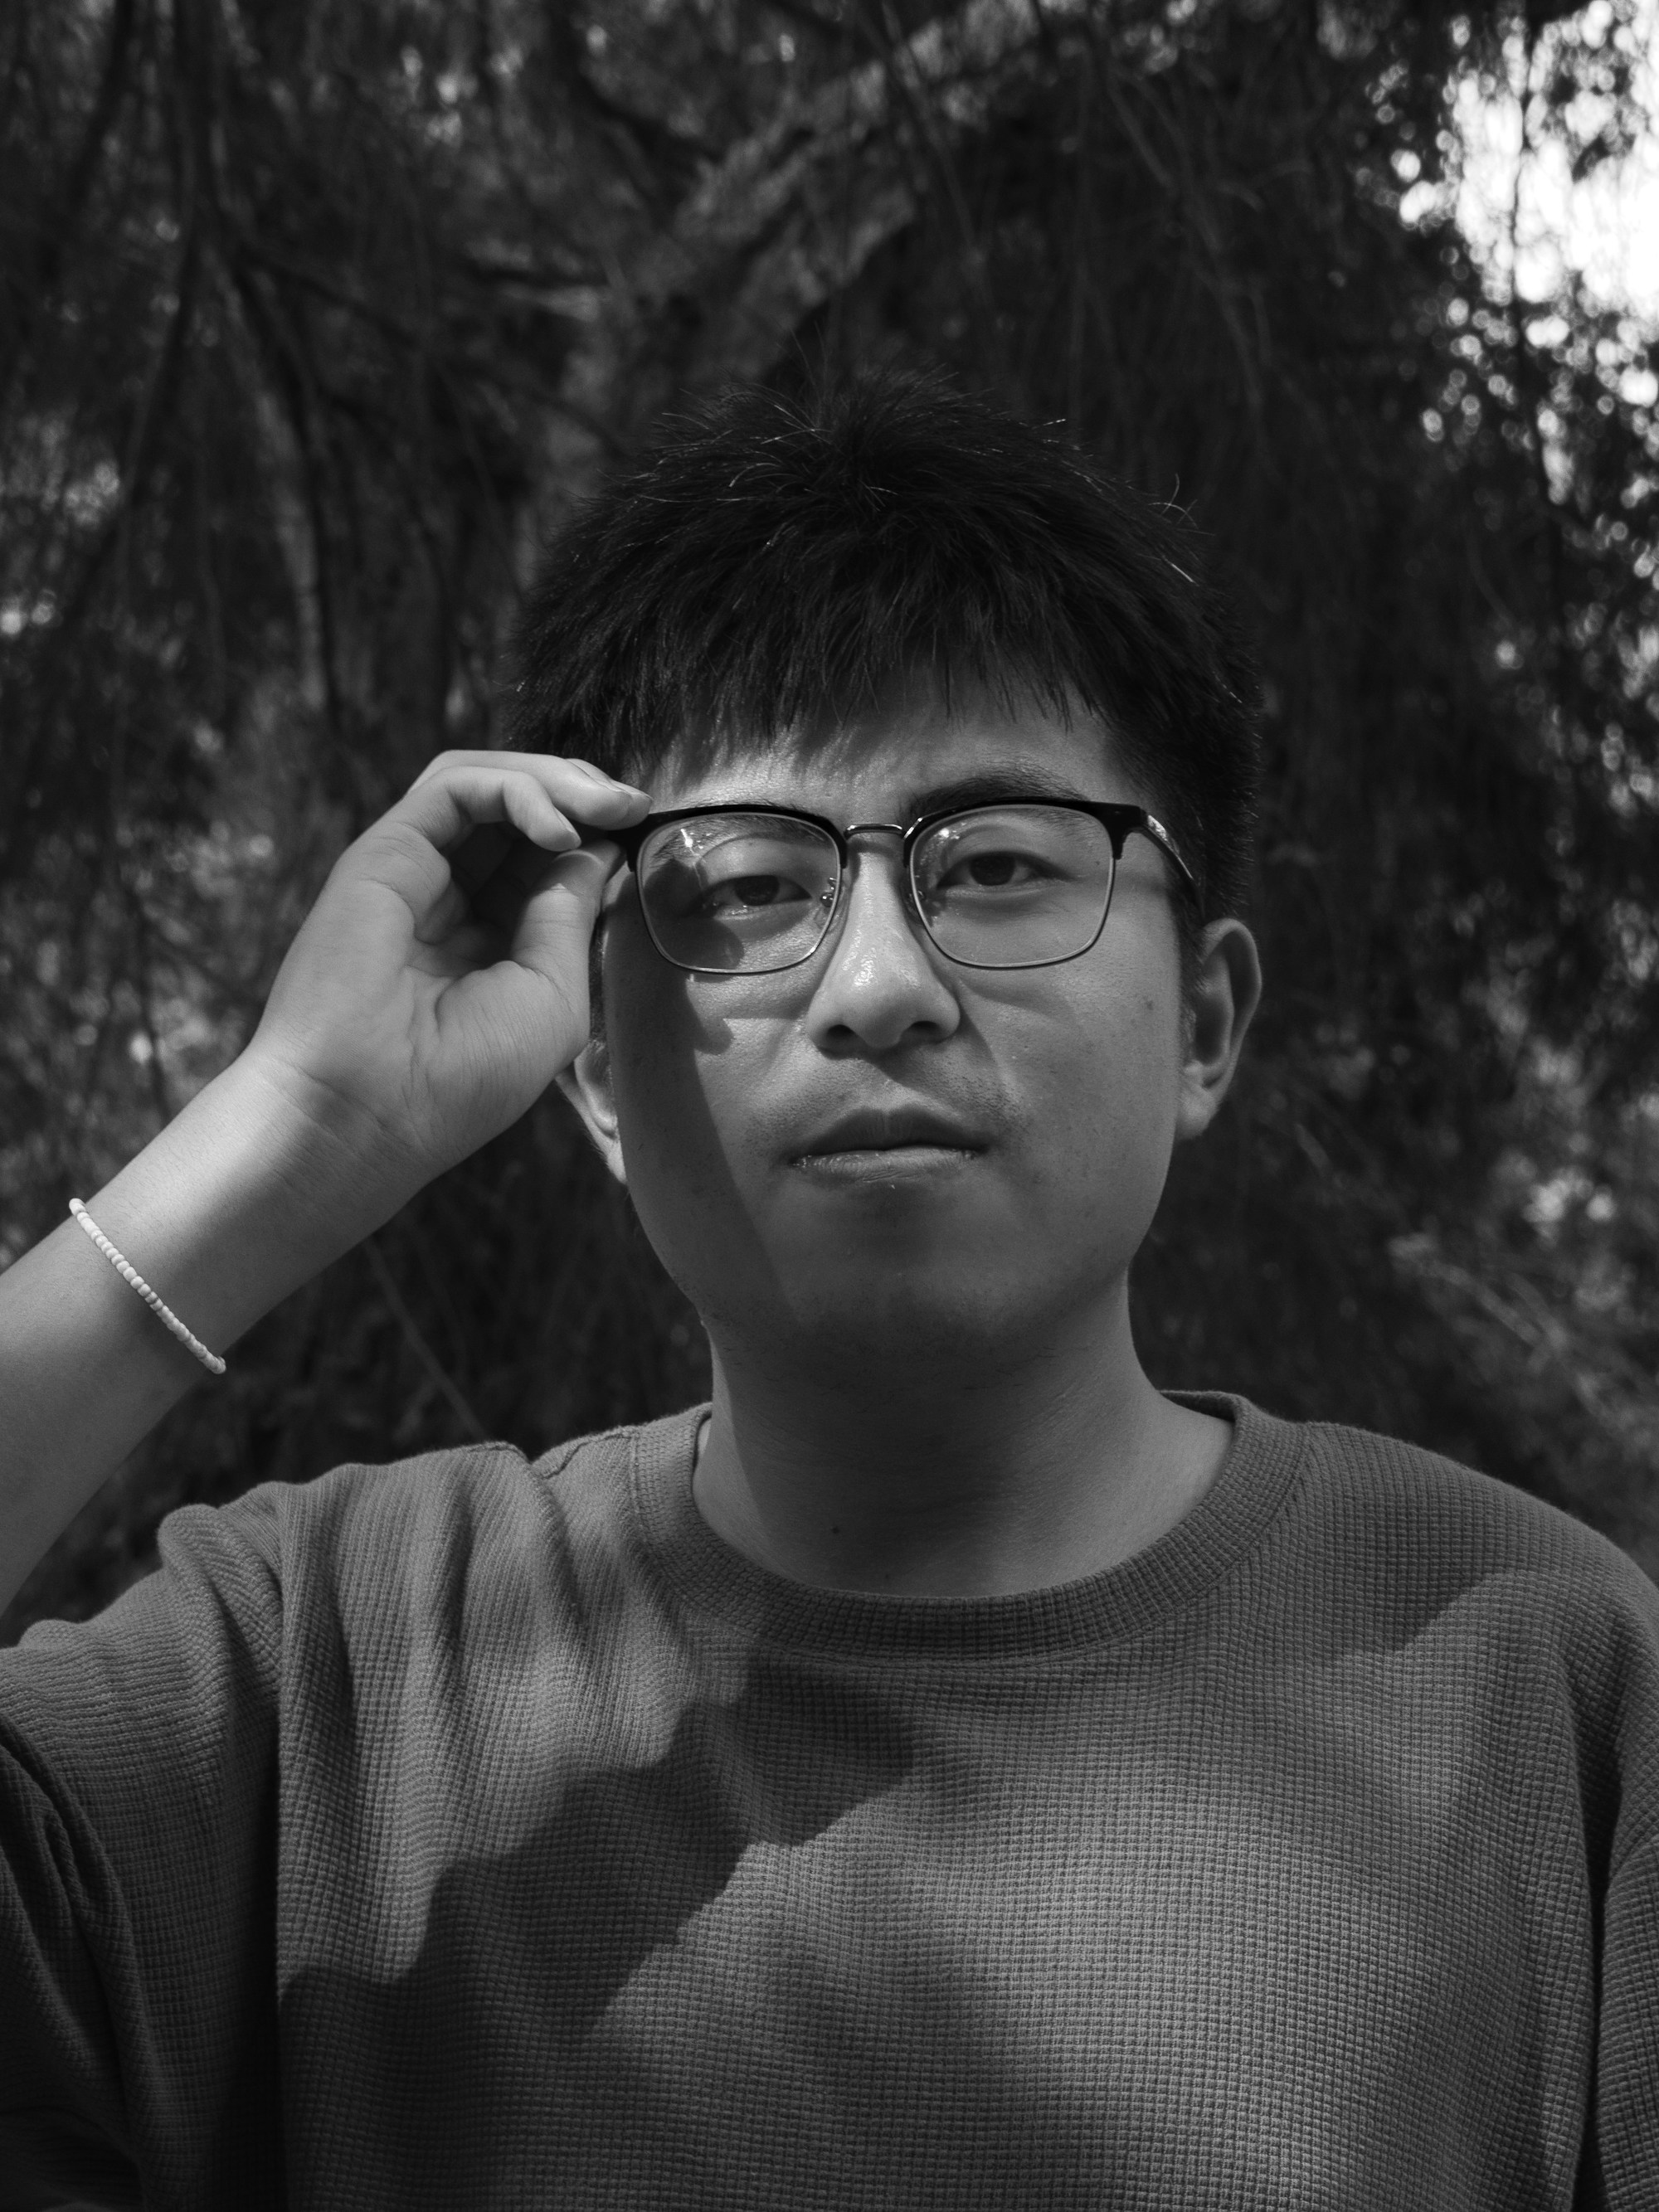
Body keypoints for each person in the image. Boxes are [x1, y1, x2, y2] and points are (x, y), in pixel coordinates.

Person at [1, 376, 1654, 2211]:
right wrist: (290, 1129)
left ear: (1206, 1022)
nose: (876, 987)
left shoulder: (1550, 1684)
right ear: (595, 1069)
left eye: (999, 864)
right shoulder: (312, 1684)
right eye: (750, 886)